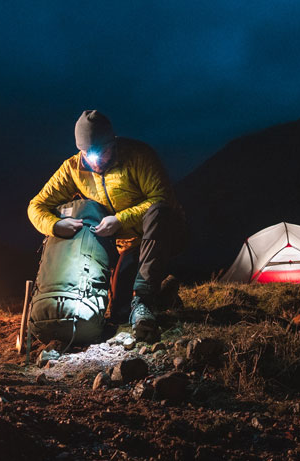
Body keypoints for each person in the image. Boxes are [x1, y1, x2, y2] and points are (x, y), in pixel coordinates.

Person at [28, 110, 186, 331]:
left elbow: (162, 199)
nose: (95, 161)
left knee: (158, 212)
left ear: (113, 142)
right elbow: (36, 206)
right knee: (119, 313)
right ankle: (162, 295)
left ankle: (144, 301)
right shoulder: (73, 168)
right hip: (129, 245)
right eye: (87, 154)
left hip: (165, 233)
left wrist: (119, 220)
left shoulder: (138, 155)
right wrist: (55, 225)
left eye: (100, 152)